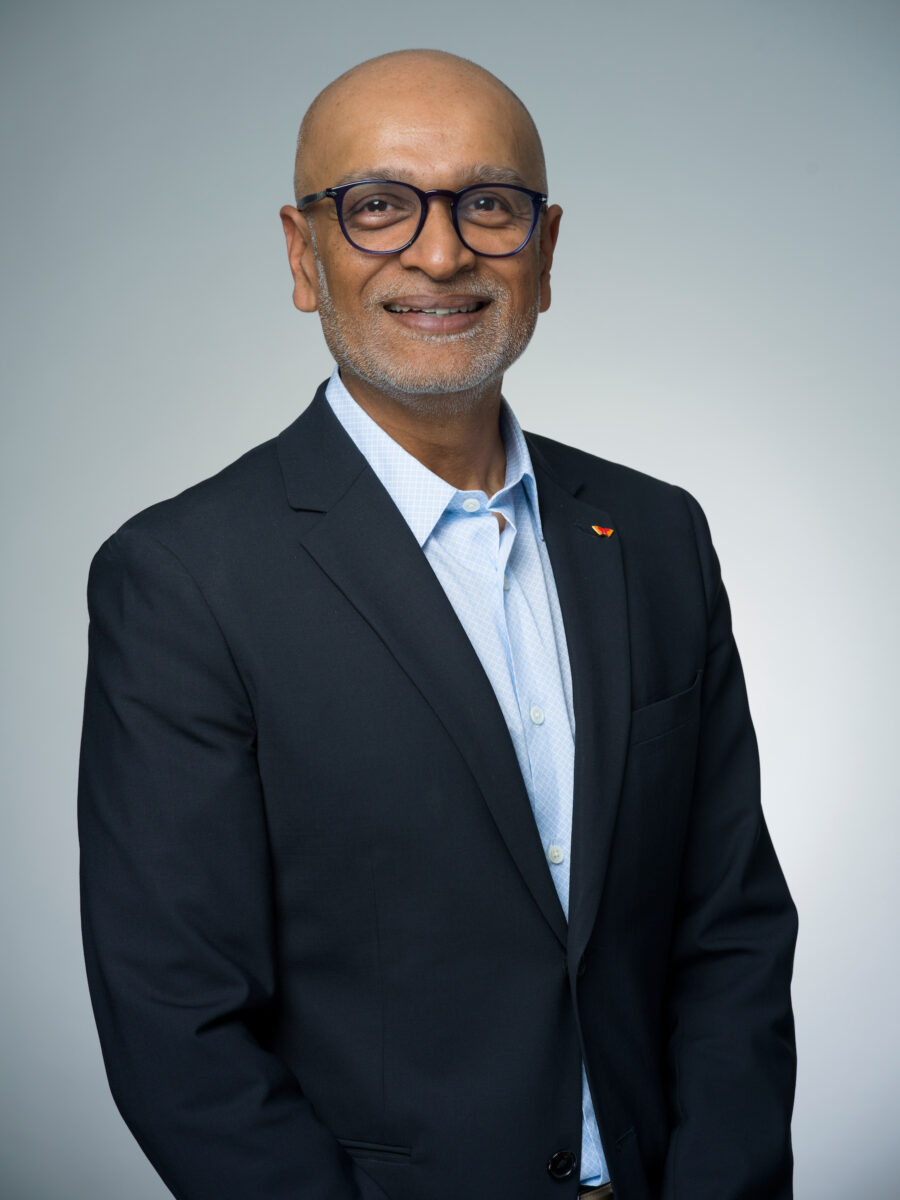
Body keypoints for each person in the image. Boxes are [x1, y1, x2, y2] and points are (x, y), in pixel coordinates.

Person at [78, 49, 797, 1200]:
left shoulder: (656, 534)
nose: (442, 251)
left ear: (545, 253)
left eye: (489, 205)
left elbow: (732, 933)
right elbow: (177, 1022)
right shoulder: (182, 578)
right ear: (303, 255)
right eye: (377, 206)